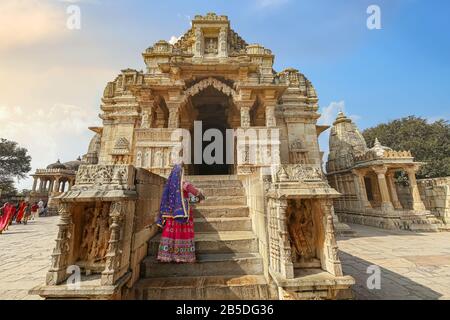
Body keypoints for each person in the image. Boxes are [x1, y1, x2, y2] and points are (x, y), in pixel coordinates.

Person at [156, 163, 204, 263]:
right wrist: (201, 195)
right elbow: (196, 193)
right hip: (183, 213)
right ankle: (182, 256)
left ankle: (167, 255)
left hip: (170, 214)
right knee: (181, 233)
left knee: (171, 233)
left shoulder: (169, 186)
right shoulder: (184, 184)